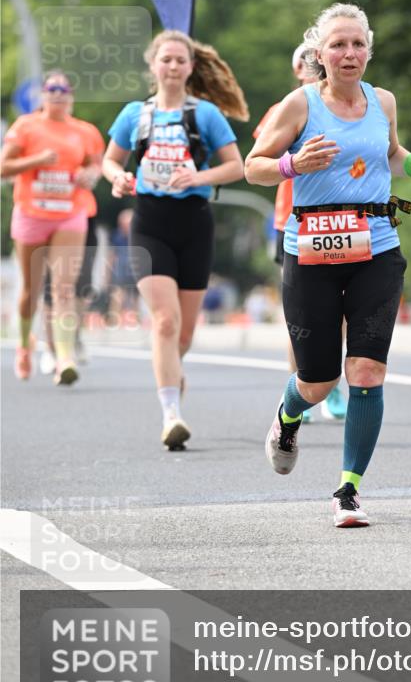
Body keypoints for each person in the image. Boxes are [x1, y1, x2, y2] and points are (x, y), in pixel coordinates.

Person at [245, 2, 411, 527]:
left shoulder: (383, 100)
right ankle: (288, 415)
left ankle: (348, 491)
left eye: (358, 44)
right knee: (317, 380)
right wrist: (294, 163)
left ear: (369, 50)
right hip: (311, 251)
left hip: (377, 245)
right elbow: (253, 168)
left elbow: (389, 156)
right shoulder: (298, 106)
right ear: (320, 53)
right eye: (338, 44)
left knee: (366, 370)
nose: (349, 53)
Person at [102, 30, 247, 449]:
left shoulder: (205, 115)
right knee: (164, 321)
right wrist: (119, 178)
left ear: (190, 67)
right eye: (165, 59)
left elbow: (235, 166)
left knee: (183, 335)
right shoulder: (135, 114)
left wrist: (198, 176)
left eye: (180, 61)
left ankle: (171, 386)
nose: (172, 67)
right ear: (153, 65)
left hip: (194, 222)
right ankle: (171, 415)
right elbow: (110, 161)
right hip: (149, 223)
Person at [253, 44, 348, 423]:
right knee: (302, 313)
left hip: (339, 219)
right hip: (291, 221)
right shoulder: (286, 108)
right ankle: (301, 383)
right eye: (303, 62)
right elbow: (261, 160)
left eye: (316, 59)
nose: (311, 67)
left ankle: (332, 384)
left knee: (340, 311)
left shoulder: (347, 103)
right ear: (296, 70)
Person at [0, 71, 104, 384]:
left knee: (63, 288)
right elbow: (3, 167)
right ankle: (22, 346)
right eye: (51, 89)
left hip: (70, 213)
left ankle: (64, 357)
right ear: (42, 95)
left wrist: (91, 175)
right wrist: (37, 160)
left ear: (71, 96)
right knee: (31, 291)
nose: (58, 94)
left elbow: (96, 164)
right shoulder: (26, 126)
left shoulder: (85, 131)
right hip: (32, 213)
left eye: (64, 89)